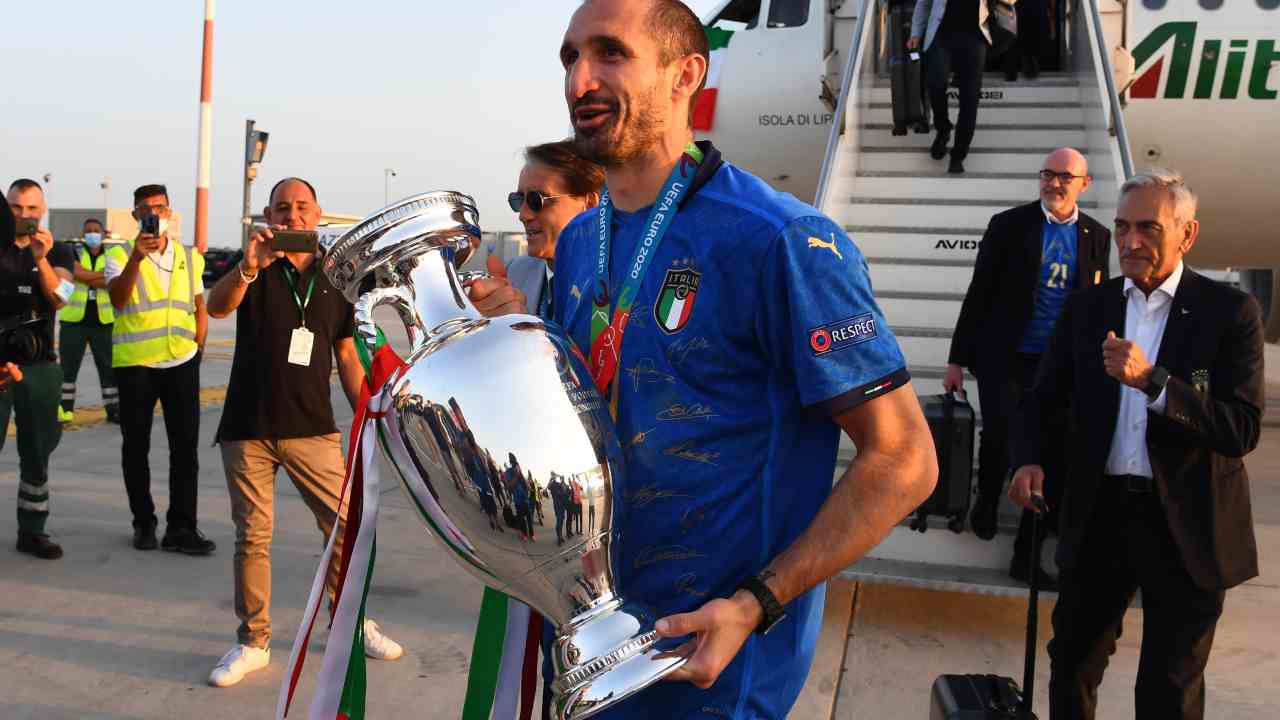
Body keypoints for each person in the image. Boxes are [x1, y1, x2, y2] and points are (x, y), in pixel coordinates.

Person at [469, 1, 938, 716]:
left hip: (709, 675)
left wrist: (755, 604)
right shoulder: (579, 239)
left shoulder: (781, 241)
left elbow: (905, 458)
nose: (579, 81)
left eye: (610, 53)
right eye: (569, 58)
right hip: (587, 653)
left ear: (686, 72)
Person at [1009, 169, 1263, 720]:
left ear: (1187, 235)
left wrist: (1155, 383)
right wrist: (1028, 457)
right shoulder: (1087, 308)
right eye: (1123, 227)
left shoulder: (1230, 314)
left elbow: (1240, 429)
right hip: (1101, 513)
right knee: (1072, 664)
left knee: (1169, 687)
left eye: (1148, 228)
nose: (1130, 242)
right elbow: (1043, 397)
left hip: (1187, 521)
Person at [204, 177, 403, 688]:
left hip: (313, 429)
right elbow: (217, 307)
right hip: (248, 429)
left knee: (343, 530)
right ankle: (253, 642)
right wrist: (249, 265)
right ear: (269, 216)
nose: (292, 217)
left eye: (301, 208)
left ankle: (349, 623)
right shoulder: (255, 270)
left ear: (317, 216)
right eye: (282, 208)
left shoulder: (334, 280)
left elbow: (345, 355)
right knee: (253, 537)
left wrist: (370, 413)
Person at [944, 148, 1110, 587]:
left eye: (1064, 177)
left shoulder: (1097, 236)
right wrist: (957, 358)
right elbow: (980, 292)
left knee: (1048, 448)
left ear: (1084, 184)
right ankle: (986, 497)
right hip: (1006, 354)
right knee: (1000, 434)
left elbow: (1097, 305)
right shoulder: (1009, 225)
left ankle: (1027, 550)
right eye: (1047, 175)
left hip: (1059, 362)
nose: (1054, 184)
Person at [106, 184, 213, 555]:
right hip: (136, 364)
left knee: (185, 450)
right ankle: (143, 523)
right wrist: (136, 258)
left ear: (169, 212)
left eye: (161, 208)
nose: (156, 214)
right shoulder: (118, 255)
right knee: (136, 447)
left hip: (182, 361)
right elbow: (118, 300)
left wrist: (199, 344)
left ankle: (182, 527)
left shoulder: (188, 255)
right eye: (147, 209)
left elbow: (199, 302)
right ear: (136, 216)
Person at [2, 179, 75, 560]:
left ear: (42, 211)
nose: (24, 216)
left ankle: (33, 530)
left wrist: (40, 258)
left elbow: (61, 299)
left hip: (40, 366)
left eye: (32, 209)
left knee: (38, 450)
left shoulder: (58, 250)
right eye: (16, 207)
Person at [506, 140, 604, 318]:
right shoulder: (516, 273)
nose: (523, 215)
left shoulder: (617, 285)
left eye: (538, 200)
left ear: (589, 203)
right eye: (518, 199)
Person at [909, 0, 993, 174]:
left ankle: (958, 154)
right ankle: (943, 128)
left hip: (975, 37)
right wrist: (916, 33)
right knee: (935, 84)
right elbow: (924, 3)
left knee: (969, 98)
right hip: (941, 35)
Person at [58, 217, 119, 424]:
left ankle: (113, 410)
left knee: (108, 369)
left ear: (103, 234)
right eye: (88, 231)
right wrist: (99, 276)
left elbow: (111, 281)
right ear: (83, 234)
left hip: (103, 323)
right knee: (67, 371)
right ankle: (64, 411)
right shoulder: (73, 251)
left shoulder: (112, 255)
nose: (92, 234)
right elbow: (75, 272)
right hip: (74, 322)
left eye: (96, 230)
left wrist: (85, 275)